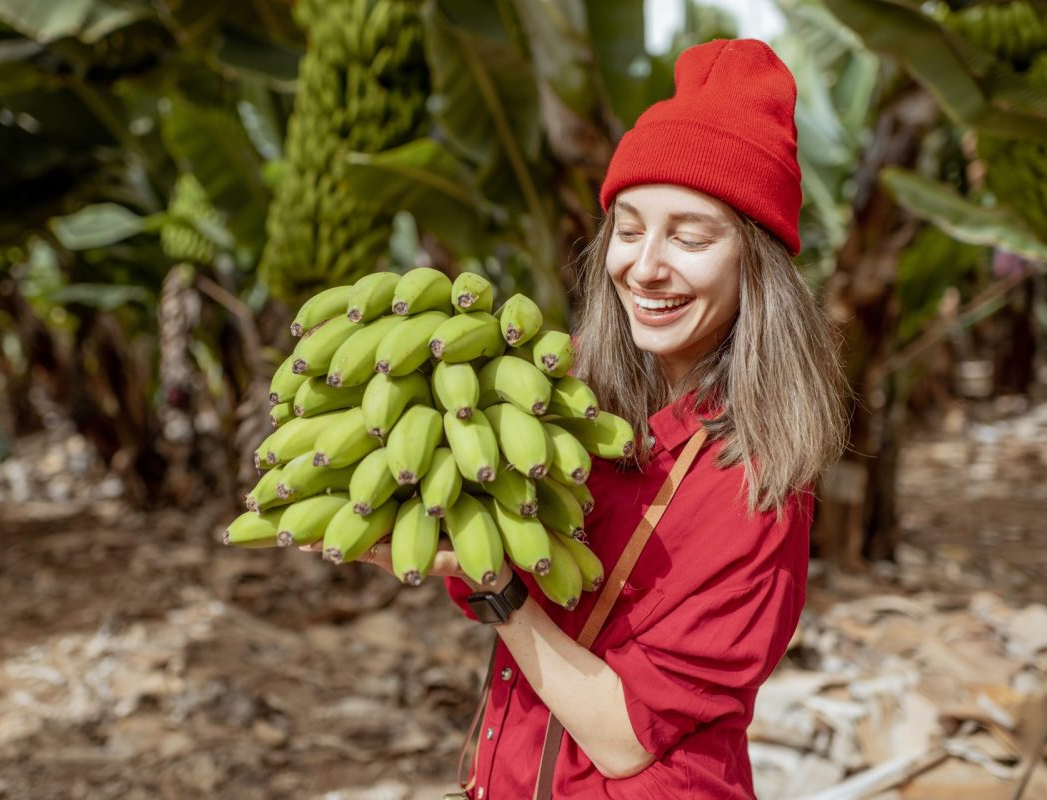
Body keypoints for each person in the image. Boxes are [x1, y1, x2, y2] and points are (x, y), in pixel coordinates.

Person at [320, 37, 846, 798]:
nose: (646, 266)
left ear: (755, 266)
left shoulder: (756, 489)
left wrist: (496, 586)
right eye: (629, 230)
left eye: (690, 236)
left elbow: (623, 735)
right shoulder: (566, 402)